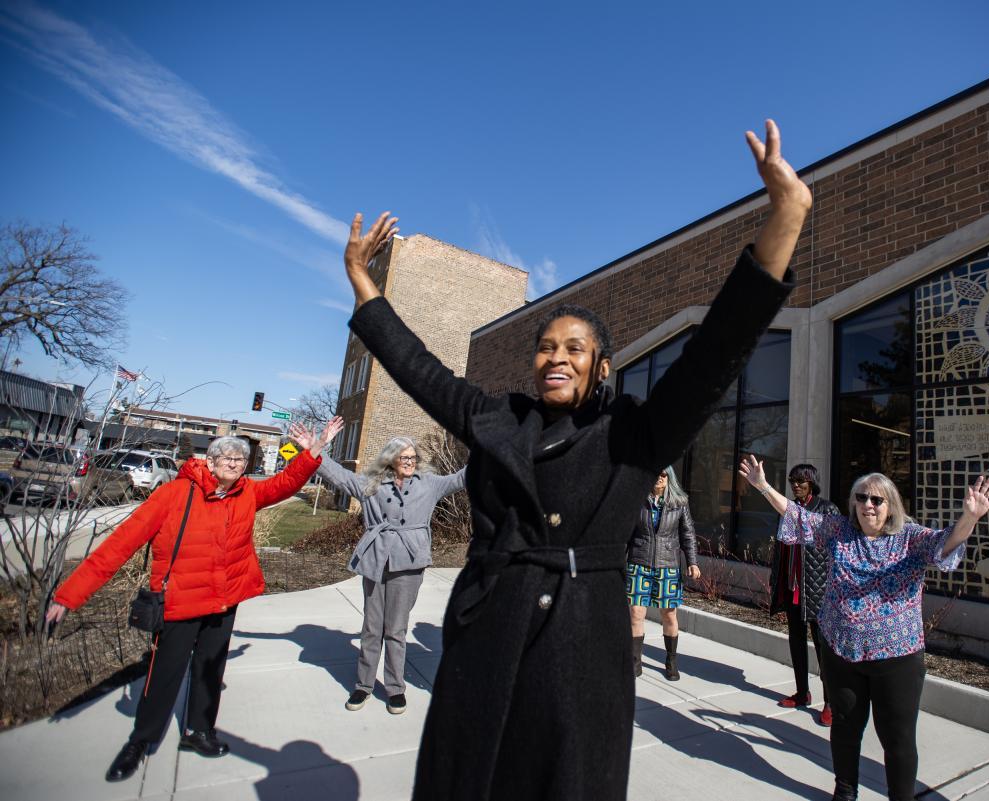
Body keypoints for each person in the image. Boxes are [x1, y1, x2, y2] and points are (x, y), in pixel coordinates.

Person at [341, 119, 812, 800]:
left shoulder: (634, 432)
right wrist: (363, 281)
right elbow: (418, 369)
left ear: (601, 367)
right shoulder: (496, 416)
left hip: (580, 647)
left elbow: (716, 350)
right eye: (546, 346)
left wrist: (786, 218)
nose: (556, 356)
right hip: (485, 633)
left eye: (574, 347)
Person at [45, 421, 339, 782]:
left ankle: (199, 731)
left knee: (209, 670)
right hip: (180, 603)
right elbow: (120, 544)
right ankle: (141, 740)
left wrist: (315, 448)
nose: (234, 465)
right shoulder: (174, 495)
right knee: (164, 675)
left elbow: (285, 483)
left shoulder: (247, 493)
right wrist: (69, 596)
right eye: (228, 458)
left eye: (241, 460)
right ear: (211, 460)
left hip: (223, 601)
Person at [739, 455, 989, 801]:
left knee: (897, 737)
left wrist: (970, 517)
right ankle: (844, 791)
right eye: (861, 498)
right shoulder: (840, 531)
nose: (867, 505)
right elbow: (798, 516)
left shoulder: (910, 537)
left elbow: (945, 546)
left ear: (890, 505)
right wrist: (763, 486)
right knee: (846, 729)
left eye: (876, 499)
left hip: (897, 659)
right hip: (842, 652)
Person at [314, 425, 465, 714]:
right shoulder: (371, 484)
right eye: (403, 457)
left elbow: (462, 478)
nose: (409, 462)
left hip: (409, 561)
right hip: (376, 559)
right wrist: (317, 448)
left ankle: (395, 688)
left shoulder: (429, 484)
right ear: (390, 460)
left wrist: (490, 448)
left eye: (412, 457)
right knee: (372, 627)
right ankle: (363, 685)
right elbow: (337, 475)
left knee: (396, 628)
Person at [769, 463, 837, 725]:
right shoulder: (785, 510)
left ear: (812, 483)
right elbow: (780, 549)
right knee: (796, 641)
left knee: (823, 647)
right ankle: (801, 692)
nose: (796, 485)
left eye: (801, 481)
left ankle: (830, 701)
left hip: (818, 589)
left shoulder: (827, 509)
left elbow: (836, 551)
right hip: (791, 586)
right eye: (792, 481)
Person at [626, 465, 701, 681]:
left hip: (668, 565)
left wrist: (692, 562)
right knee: (636, 613)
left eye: (663, 474)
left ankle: (671, 661)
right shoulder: (636, 500)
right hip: (639, 562)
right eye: (655, 473)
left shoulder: (679, 503)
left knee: (669, 614)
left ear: (669, 478)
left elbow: (688, 534)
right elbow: (626, 534)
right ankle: (635, 662)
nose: (659, 478)